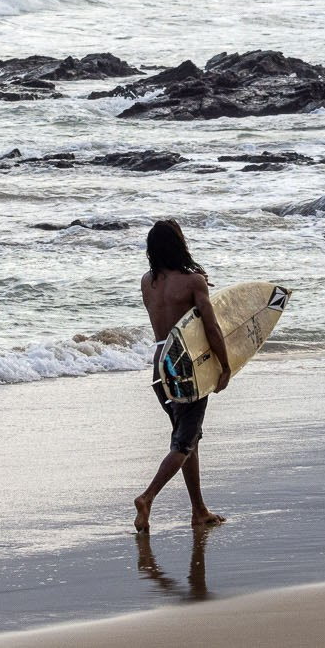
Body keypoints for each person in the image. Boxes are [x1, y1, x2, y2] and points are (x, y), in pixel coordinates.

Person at [134, 219, 230, 531]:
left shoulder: (147, 282)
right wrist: (225, 365)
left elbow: (175, 317)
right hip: (187, 365)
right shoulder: (193, 282)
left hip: (161, 365)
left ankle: (198, 510)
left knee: (188, 438)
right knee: (183, 444)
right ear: (179, 245)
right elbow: (211, 327)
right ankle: (147, 497)